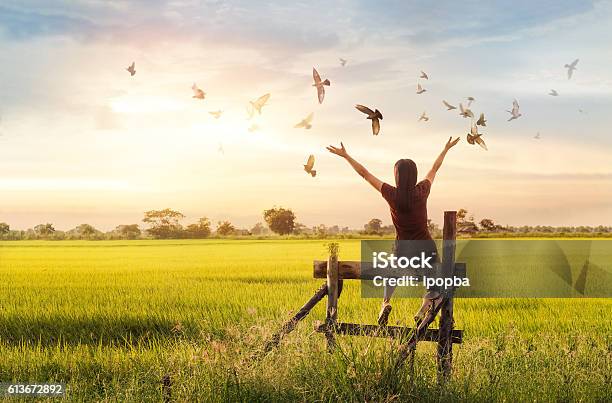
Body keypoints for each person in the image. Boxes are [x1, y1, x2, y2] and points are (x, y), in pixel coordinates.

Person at [327, 136, 460, 325]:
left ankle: (386, 303)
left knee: (391, 272)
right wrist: (446, 149)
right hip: (426, 247)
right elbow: (434, 168)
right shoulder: (422, 190)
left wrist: (346, 156)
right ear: (414, 175)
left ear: (396, 175)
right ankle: (428, 307)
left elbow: (364, 174)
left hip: (402, 249)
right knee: (437, 280)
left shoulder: (391, 194)